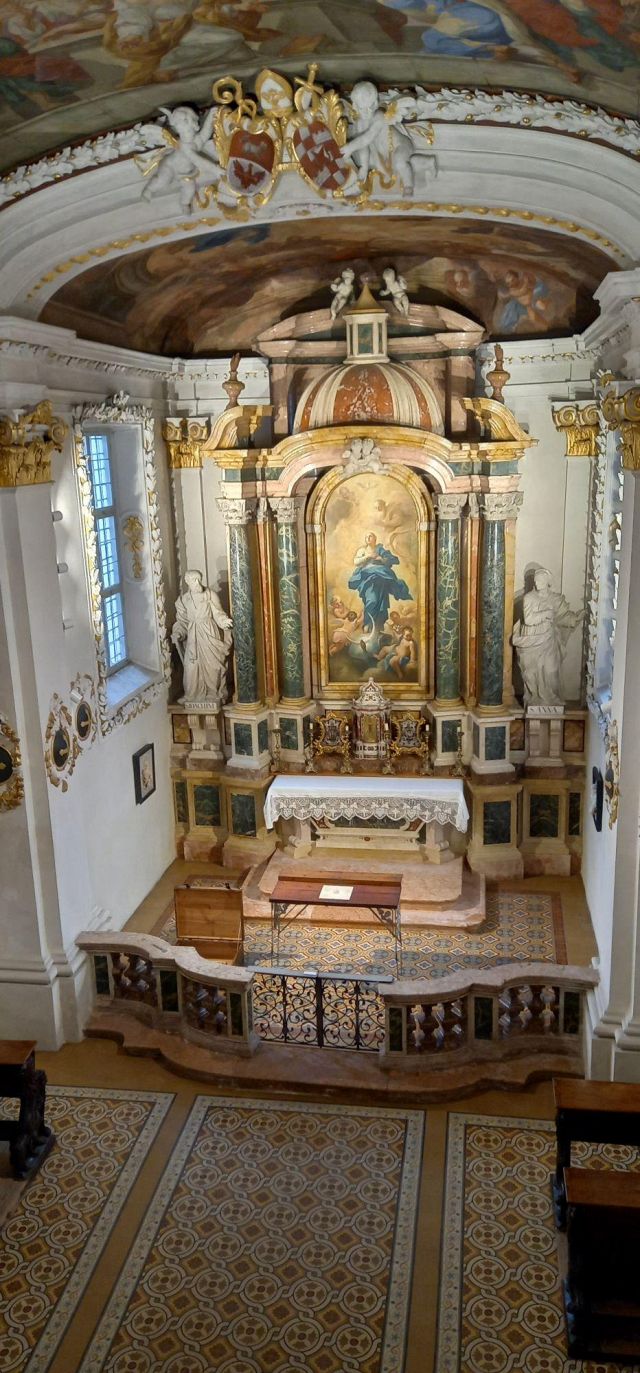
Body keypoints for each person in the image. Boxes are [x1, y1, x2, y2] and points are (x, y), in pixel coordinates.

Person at [512, 568, 583, 705]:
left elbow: (562, 616)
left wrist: (575, 619)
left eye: (540, 581)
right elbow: (529, 620)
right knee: (531, 673)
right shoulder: (529, 598)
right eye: (535, 581)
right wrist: (546, 614)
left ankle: (552, 699)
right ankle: (535, 699)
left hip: (549, 640)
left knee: (551, 671)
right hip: (531, 639)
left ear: (547, 582)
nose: (537, 583)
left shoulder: (555, 599)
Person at [171, 569, 233, 703]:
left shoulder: (210, 595)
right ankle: (191, 695)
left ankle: (213, 694)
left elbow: (218, 613)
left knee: (212, 665)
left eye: (199, 579)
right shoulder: (183, 600)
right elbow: (182, 621)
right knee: (191, 667)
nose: (198, 583)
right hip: (193, 636)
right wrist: (178, 633)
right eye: (194, 580)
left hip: (208, 632)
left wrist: (224, 621)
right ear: (187, 582)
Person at [348, 531, 412, 643]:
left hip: (381, 579)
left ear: (375, 539)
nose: (368, 538)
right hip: (368, 579)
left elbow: (393, 559)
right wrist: (367, 556)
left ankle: (376, 629)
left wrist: (380, 559)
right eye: (366, 536)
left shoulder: (380, 549)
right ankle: (368, 624)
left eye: (370, 536)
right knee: (371, 601)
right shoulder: (362, 550)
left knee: (381, 603)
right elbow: (356, 561)